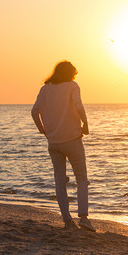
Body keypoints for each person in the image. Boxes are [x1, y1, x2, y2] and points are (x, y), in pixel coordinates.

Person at [31, 61, 95, 232]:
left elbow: (34, 111)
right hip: (72, 139)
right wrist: (85, 122)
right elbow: (78, 106)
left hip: (53, 143)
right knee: (81, 179)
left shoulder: (45, 89)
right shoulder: (72, 86)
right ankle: (83, 218)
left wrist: (43, 131)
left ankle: (67, 220)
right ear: (71, 73)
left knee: (60, 181)